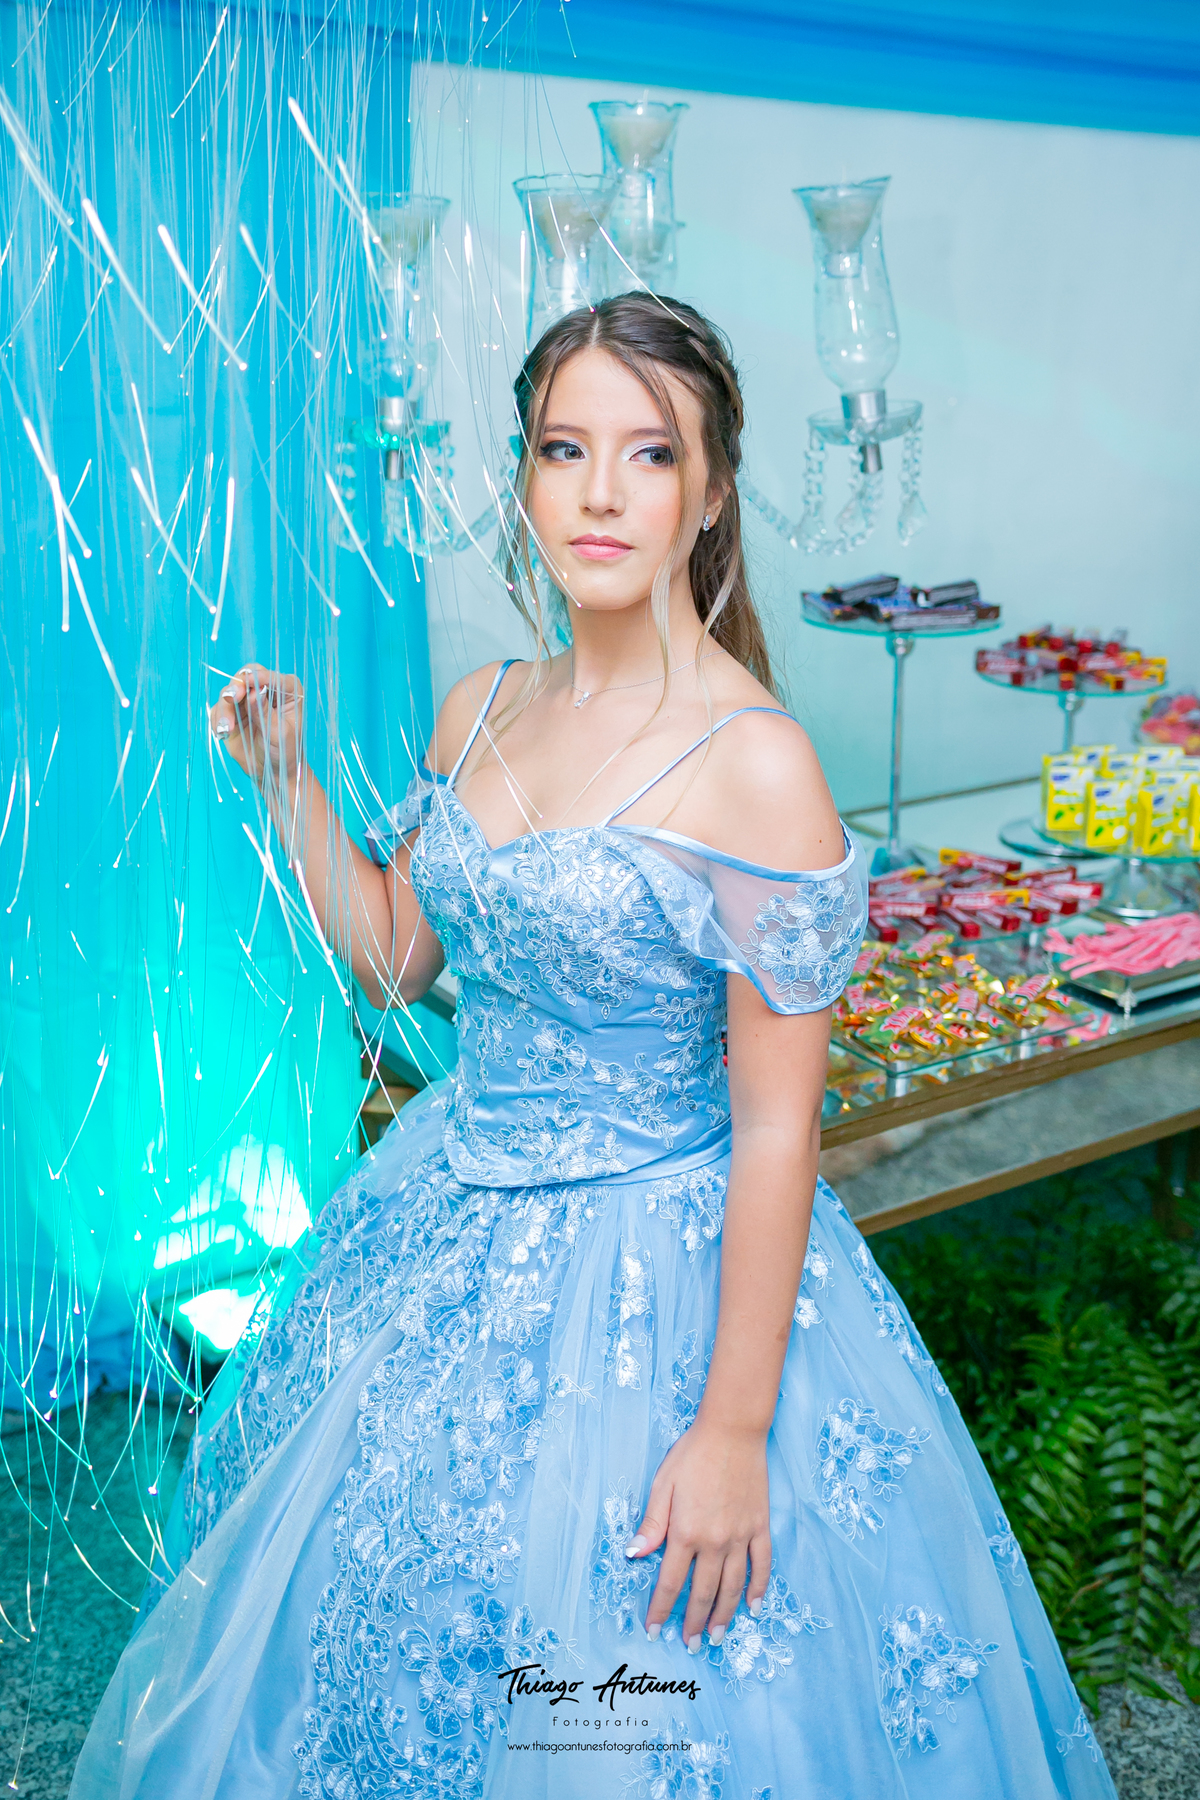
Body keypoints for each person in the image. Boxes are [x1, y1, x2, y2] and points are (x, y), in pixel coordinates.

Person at [72, 294, 1116, 1799]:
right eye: (566, 449)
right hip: (441, 1228)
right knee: (395, 1651)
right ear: (525, 480)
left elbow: (776, 1131)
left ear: (708, 496)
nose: (603, 491)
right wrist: (290, 783)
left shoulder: (757, 762)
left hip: (661, 1265)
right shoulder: (481, 706)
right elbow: (397, 958)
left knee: (612, 1707)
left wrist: (735, 1427)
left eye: (648, 453)